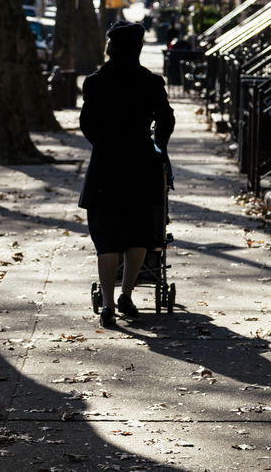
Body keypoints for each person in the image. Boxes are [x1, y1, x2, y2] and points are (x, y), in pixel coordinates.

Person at [79, 21, 176, 327]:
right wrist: (158, 145)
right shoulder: (151, 82)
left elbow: (87, 123)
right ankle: (127, 295)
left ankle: (107, 304)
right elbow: (166, 119)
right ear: (138, 49)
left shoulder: (94, 82)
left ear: (110, 48)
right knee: (138, 234)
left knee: (107, 238)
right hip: (141, 163)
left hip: (106, 165)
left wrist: (104, 143)